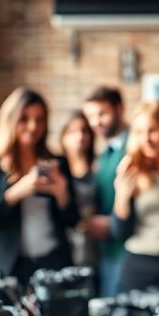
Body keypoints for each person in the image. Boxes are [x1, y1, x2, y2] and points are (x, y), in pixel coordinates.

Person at [0, 87, 77, 285]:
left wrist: (62, 193)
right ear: (10, 121)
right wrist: (16, 193)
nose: (33, 126)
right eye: (24, 119)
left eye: (40, 119)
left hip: (53, 264)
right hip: (6, 267)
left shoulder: (57, 163)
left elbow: (73, 220)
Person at [112, 101, 159, 296]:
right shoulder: (131, 169)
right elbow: (121, 233)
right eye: (139, 132)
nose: (146, 139)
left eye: (153, 130)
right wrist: (121, 196)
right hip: (138, 264)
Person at [83, 86, 128, 297]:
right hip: (104, 250)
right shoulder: (103, 155)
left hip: (126, 250)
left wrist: (111, 223)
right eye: (91, 116)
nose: (96, 122)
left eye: (102, 114)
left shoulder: (134, 147)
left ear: (119, 109)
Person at [60, 110, 98, 268]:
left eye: (84, 131)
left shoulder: (99, 167)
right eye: (72, 131)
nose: (80, 136)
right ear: (63, 137)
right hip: (64, 244)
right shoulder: (57, 170)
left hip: (95, 244)